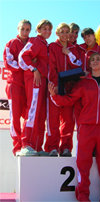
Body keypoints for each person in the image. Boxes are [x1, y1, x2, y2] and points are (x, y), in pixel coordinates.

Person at [48, 53, 100, 201]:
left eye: (98, 59)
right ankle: (83, 197)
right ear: (89, 65)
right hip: (86, 128)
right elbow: (69, 100)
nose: (95, 62)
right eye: (92, 60)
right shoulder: (84, 83)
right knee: (83, 165)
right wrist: (54, 96)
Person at [44, 23, 82, 157]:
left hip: (70, 90)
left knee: (68, 121)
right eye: (62, 32)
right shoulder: (53, 47)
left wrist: (69, 53)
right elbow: (51, 67)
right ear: (57, 33)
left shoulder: (73, 48)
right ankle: (52, 147)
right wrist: (54, 85)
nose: (65, 35)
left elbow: (78, 65)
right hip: (55, 88)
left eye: (67, 32)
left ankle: (65, 147)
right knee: (53, 120)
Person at [18, 19, 53, 156]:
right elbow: (22, 57)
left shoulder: (45, 44)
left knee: (41, 114)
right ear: (38, 30)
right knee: (32, 112)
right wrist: (34, 69)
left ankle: (37, 147)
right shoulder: (35, 41)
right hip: (35, 80)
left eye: (49, 29)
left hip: (43, 81)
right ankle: (26, 144)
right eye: (44, 29)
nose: (47, 31)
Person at [3, 19, 31, 156]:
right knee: (14, 117)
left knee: (29, 115)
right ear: (18, 29)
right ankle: (17, 146)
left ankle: (27, 144)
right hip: (14, 84)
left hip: (29, 86)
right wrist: (26, 65)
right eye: (23, 29)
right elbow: (9, 62)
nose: (25, 32)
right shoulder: (11, 43)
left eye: (27, 30)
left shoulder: (32, 43)